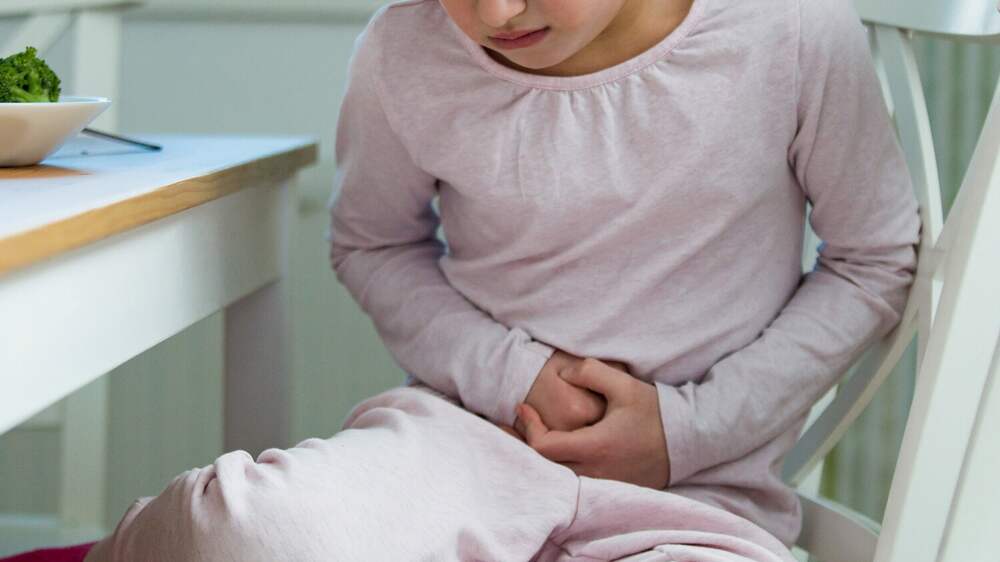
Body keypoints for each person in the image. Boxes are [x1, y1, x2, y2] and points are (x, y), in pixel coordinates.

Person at [4, 0, 920, 560]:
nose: (495, 13)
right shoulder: (404, 49)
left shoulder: (793, 30)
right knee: (246, 532)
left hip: (696, 501)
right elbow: (372, 245)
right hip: (454, 452)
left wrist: (688, 431)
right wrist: (511, 373)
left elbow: (873, 260)